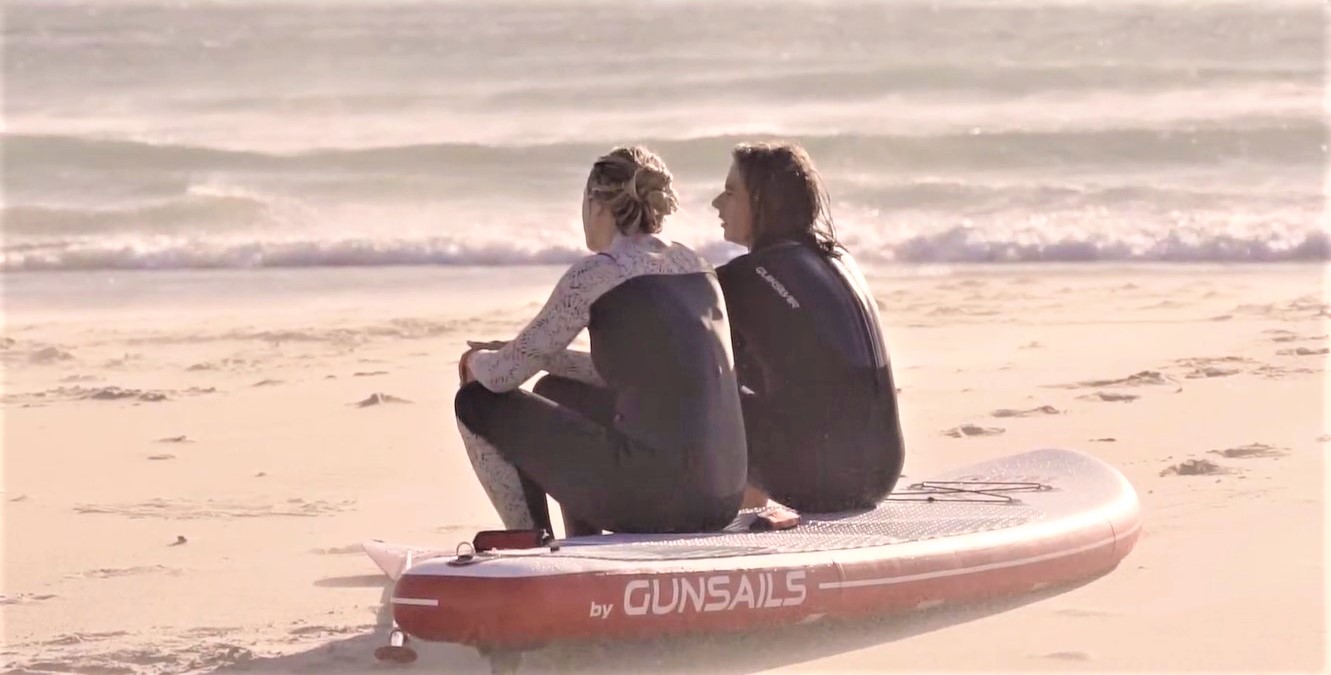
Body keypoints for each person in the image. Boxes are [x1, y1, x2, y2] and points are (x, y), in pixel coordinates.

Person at [455, 146, 747, 536]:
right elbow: (651, 377)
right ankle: (582, 543)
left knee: (476, 401)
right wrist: (544, 359)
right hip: (722, 497)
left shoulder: (598, 273)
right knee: (556, 390)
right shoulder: (698, 267)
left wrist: (474, 361)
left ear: (597, 205)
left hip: (657, 501)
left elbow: (501, 377)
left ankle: (529, 547)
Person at [710, 141, 906, 513]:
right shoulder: (838, 258)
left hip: (819, 480)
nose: (717, 204)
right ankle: (754, 501)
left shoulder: (745, 278)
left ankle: (738, 509)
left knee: (709, 385)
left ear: (766, 202)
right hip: (881, 471)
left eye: (731, 193)